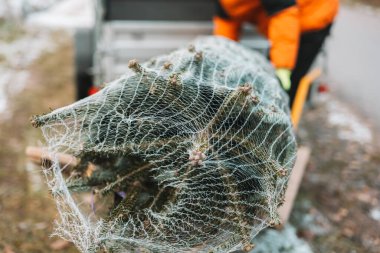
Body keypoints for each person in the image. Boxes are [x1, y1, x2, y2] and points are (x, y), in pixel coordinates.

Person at [214, 0, 339, 107]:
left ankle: (285, 124)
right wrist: (222, 60)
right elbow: (226, 22)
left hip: (311, 13)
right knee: (268, 80)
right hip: (284, 19)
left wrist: (283, 66)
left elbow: (283, 13)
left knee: (287, 85)